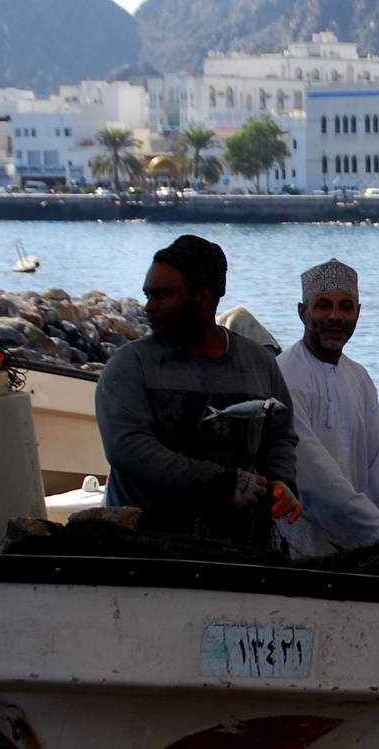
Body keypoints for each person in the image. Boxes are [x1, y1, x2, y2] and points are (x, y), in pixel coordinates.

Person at [97, 234, 301, 546]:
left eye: (162, 295)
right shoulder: (130, 365)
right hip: (143, 549)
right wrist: (224, 483)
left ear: (203, 297)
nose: (149, 307)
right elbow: (129, 450)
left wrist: (281, 481)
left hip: (239, 547)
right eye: (148, 295)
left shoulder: (259, 362)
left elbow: (280, 437)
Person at [275, 259, 379, 556]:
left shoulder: (358, 377)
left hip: (356, 539)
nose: (335, 316)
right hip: (297, 541)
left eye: (346, 306)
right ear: (303, 312)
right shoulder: (284, 374)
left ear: (358, 312)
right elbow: (312, 476)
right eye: (323, 305)